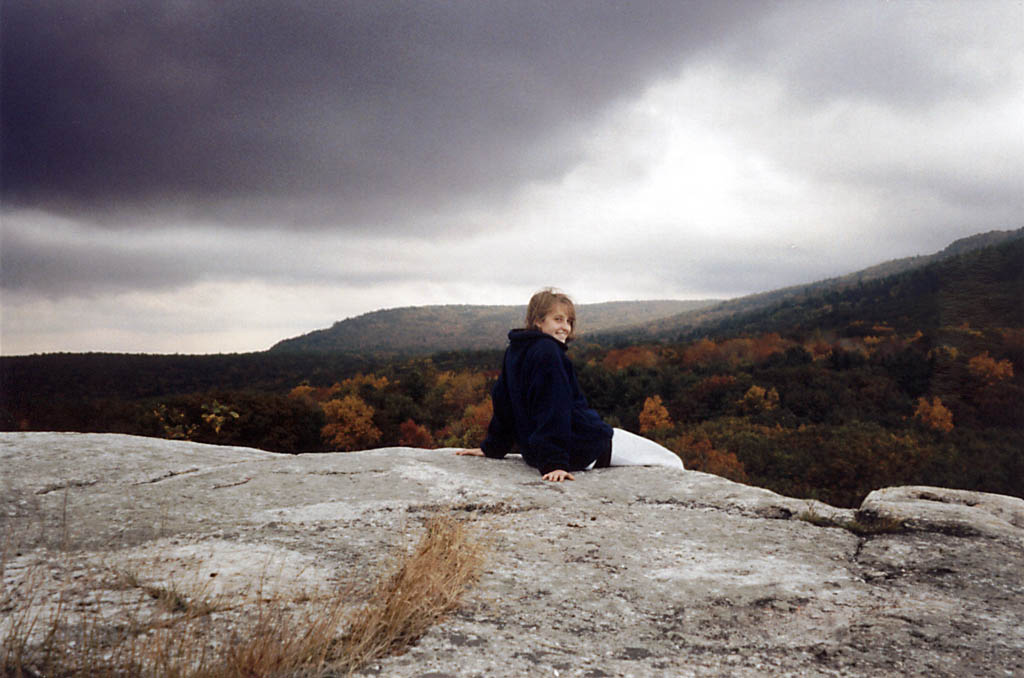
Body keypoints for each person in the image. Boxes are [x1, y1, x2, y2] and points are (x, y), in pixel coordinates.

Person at [456, 288, 684, 482]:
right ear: (538, 320)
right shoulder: (549, 353)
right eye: (558, 319)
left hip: (541, 452)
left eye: (569, 321)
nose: (565, 327)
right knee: (672, 462)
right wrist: (554, 463)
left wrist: (492, 447)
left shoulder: (515, 350)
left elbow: (504, 401)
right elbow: (553, 406)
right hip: (584, 447)